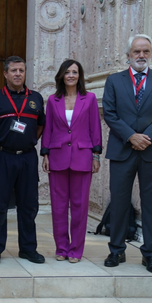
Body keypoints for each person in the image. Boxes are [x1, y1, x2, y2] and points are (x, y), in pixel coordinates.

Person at [102, 34, 152, 274]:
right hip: (123, 149)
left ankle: (151, 255)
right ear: (128, 55)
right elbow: (110, 113)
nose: (141, 55)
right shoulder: (114, 81)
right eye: (137, 51)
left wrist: (146, 137)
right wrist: (131, 136)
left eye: (146, 51)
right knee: (120, 202)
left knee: (151, 205)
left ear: (150, 54)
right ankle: (116, 250)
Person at [0, 56, 45, 265]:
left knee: (28, 206)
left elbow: (40, 125)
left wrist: (29, 141)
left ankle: (28, 249)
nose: (18, 74)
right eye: (13, 70)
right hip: (1, 157)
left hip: (27, 158)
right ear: (5, 74)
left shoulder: (36, 98)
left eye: (21, 70)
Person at [41, 59, 102, 263]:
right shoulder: (52, 100)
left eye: (75, 72)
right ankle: (61, 248)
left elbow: (95, 127)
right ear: (61, 75)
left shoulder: (90, 99)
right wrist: (45, 154)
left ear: (80, 76)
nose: (71, 76)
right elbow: (48, 128)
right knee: (58, 206)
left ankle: (75, 250)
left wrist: (95, 155)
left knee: (79, 206)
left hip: (82, 157)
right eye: (67, 72)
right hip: (57, 157)